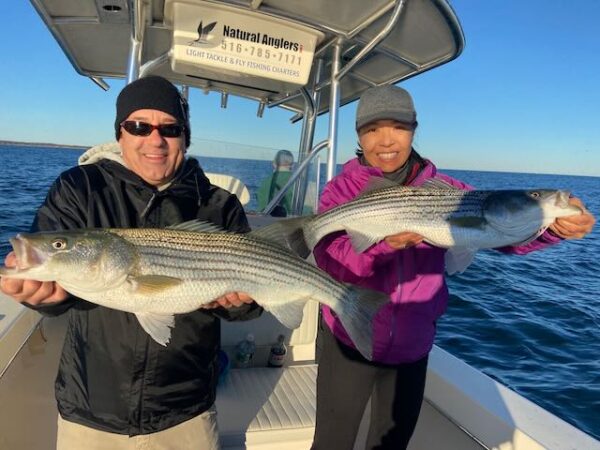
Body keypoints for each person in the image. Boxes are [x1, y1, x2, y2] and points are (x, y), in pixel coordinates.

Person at [310, 85, 596, 450]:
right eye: (372, 129)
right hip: (348, 340)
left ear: (414, 129)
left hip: (413, 345)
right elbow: (329, 256)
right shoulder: (340, 190)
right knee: (330, 443)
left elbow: (500, 232)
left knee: (391, 445)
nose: (386, 140)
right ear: (359, 135)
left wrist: (553, 228)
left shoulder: (453, 192)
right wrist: (381, 247)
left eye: (398, 127)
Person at [0, 75, 261, 450]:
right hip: (91, 412)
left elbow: (247, 306)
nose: (155, 139)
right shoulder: (80, 188)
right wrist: (39, 295)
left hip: (186, 411)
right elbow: (59, 281)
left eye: (170, 129)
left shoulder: (219, 205)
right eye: (138, 126)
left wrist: (244, 303)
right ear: (120, 134)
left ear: (185, 138)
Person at [256, 149, 295, 216]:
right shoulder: (302, 182)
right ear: (293, 165)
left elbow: (261, 208)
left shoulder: (266, 182)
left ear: (274, 164)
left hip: (269, 223)